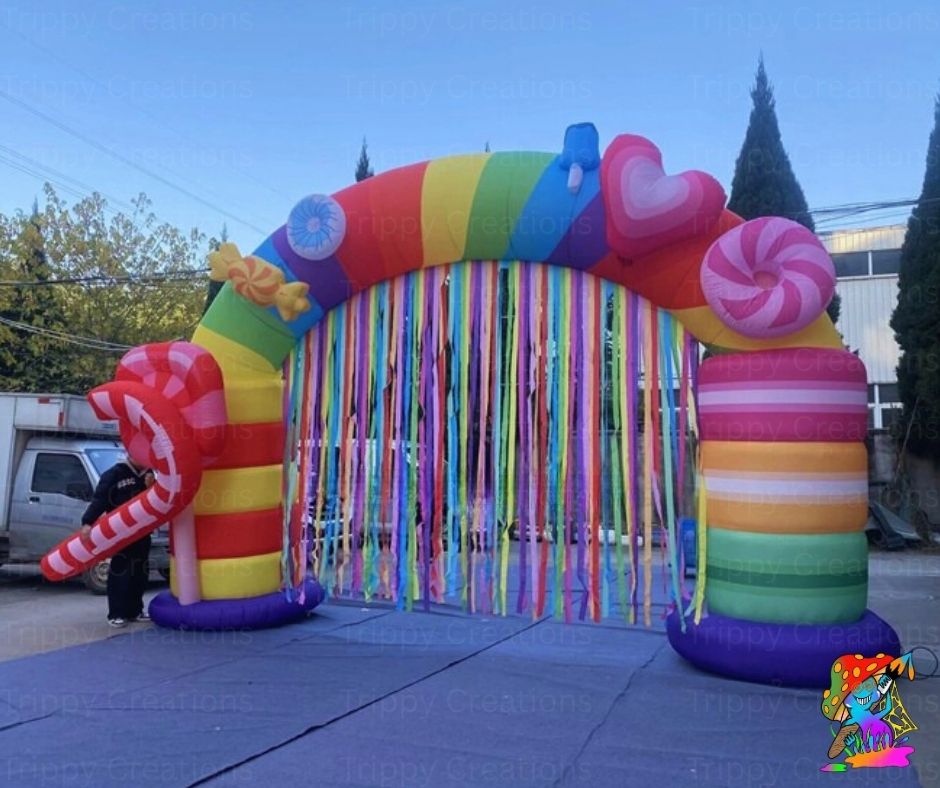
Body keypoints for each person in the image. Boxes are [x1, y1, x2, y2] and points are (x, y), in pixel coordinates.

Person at [80, 456, 155, 628]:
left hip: (143, 531)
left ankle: (135, 610)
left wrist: (151, 486)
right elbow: (99, 500)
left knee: (140, 572)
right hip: (120, 533)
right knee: (121, 572)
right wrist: (87, 522)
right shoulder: (114, 474)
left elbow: (155, 499)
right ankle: (116, 613)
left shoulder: (148, 474)